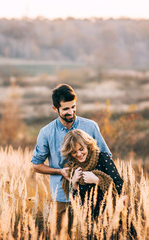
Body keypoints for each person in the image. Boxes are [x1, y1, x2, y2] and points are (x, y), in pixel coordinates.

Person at [31, 84, 111, 232]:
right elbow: (36, 165)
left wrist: (94, 176)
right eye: (66, 109)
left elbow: (106, 158)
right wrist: (60, 171)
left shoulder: (91, 126)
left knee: (92, 234)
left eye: (73, 107)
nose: (71, 112)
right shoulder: (46, 133)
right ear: (55, 109)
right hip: (62, 197)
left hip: (91, 196)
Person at [60, 129, 123, 219]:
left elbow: (119, 186)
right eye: (74, 152)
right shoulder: (73, 167)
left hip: (110, 216)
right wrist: (73, 183)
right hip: (88, 219)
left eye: (81, 149)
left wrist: (97, 180)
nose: (79, 154)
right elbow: (75, 201)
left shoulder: (102, 158)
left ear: (88, 146)